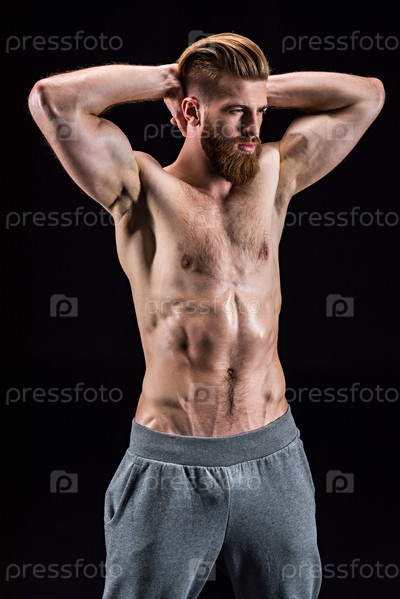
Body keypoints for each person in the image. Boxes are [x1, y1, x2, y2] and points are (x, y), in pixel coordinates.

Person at [28, 32, 384, 599]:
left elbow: (367, 95)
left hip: (273, 455)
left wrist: (255, 90)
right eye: (237, 112)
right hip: (171, 464)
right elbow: (52, 99)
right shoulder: (140, 187)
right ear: (191, 112)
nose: (254, 127)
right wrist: (171, 79)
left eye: (261, 112)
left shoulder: (274, 173)